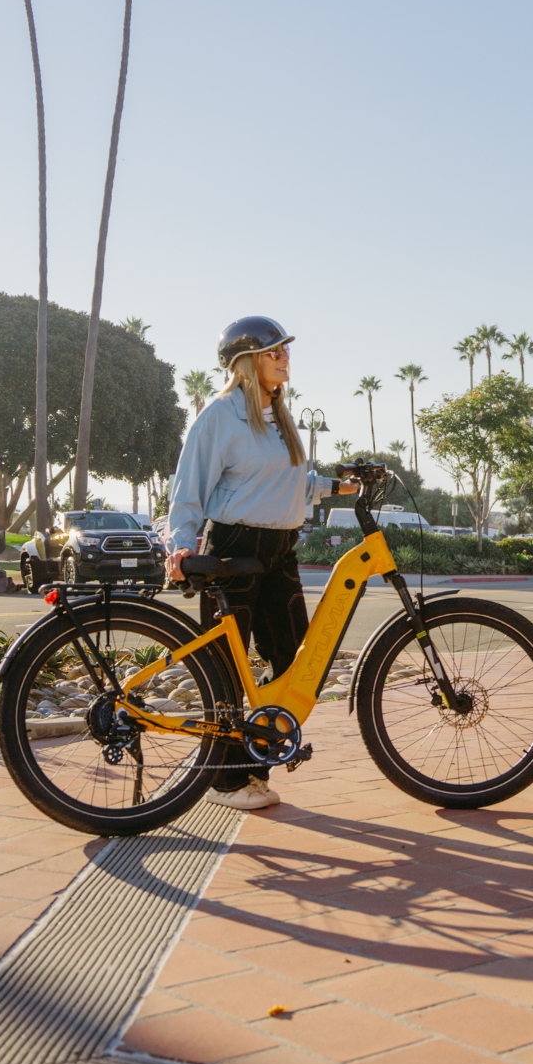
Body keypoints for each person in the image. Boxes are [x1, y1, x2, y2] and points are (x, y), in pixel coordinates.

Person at [165, 315, 357, 811]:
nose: (285, 358)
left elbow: (291, 482)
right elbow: (189, 488)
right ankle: (226, 781)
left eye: (286, 350)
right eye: (275, 351)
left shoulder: (279, 418)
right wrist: (181, 545)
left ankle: (256, 764)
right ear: (247, 363)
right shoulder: (220, 416)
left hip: (280, 551)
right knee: (228, 667)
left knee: (292, 660)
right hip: (233, 548)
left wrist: (338, 487)